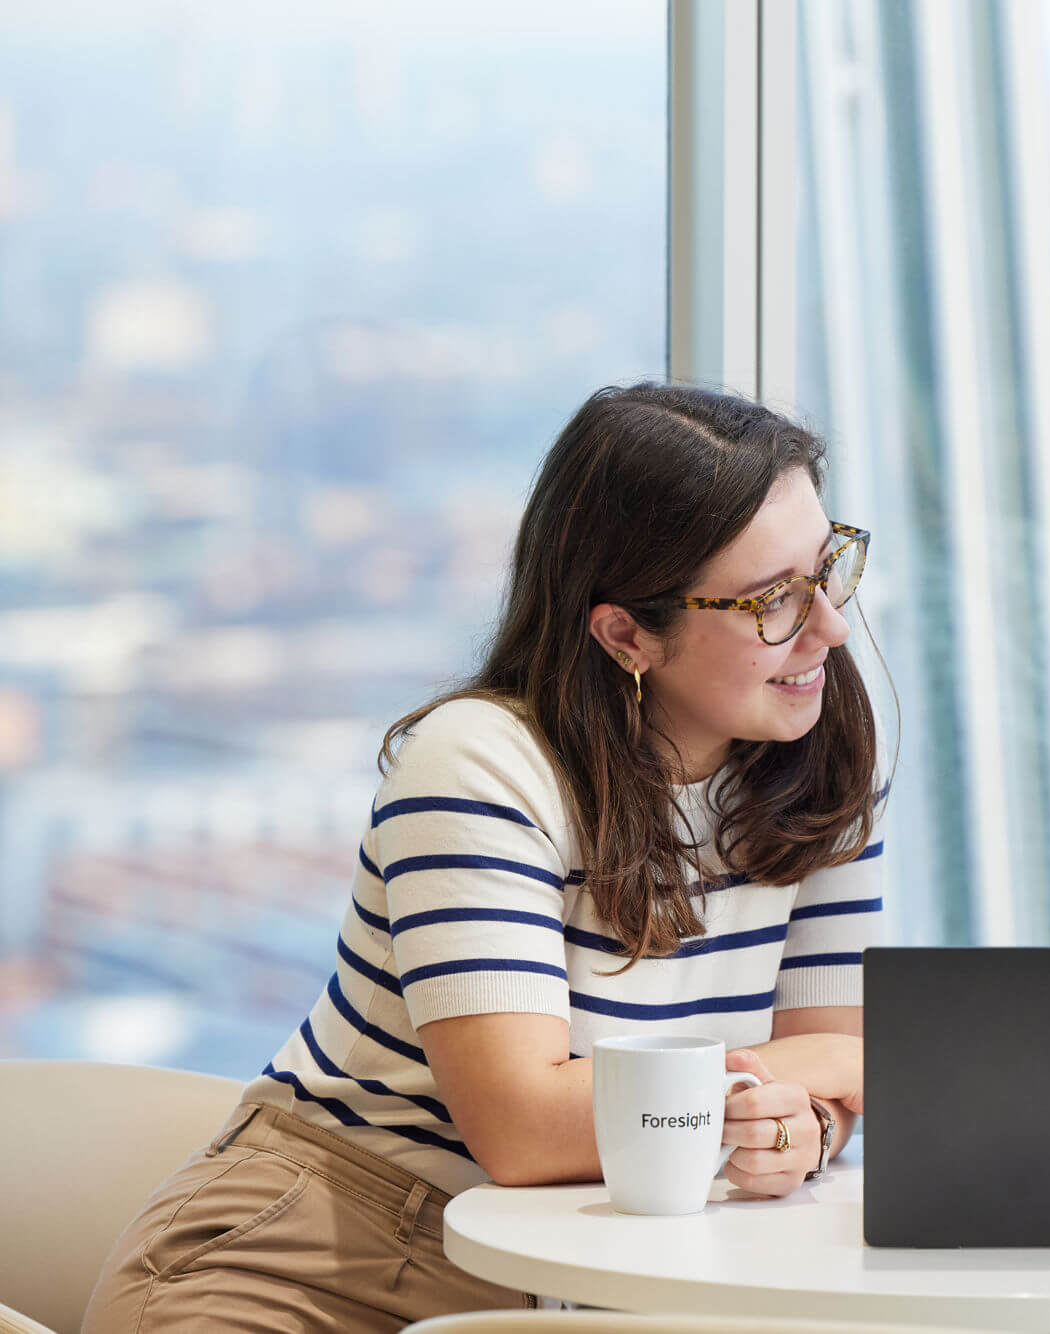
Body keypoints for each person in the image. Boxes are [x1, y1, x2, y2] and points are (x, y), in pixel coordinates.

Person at [84, 384, 884, 1332]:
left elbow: (836, 1085)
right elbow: (522, 1127)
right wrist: (809, 1065)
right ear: (626, 632)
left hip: (599, 1275)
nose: (828, 626)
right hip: (325, 1254)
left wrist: (800, 1128)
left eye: (826, 569)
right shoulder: (478, 762)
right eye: (771, 602)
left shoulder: (815, 767)